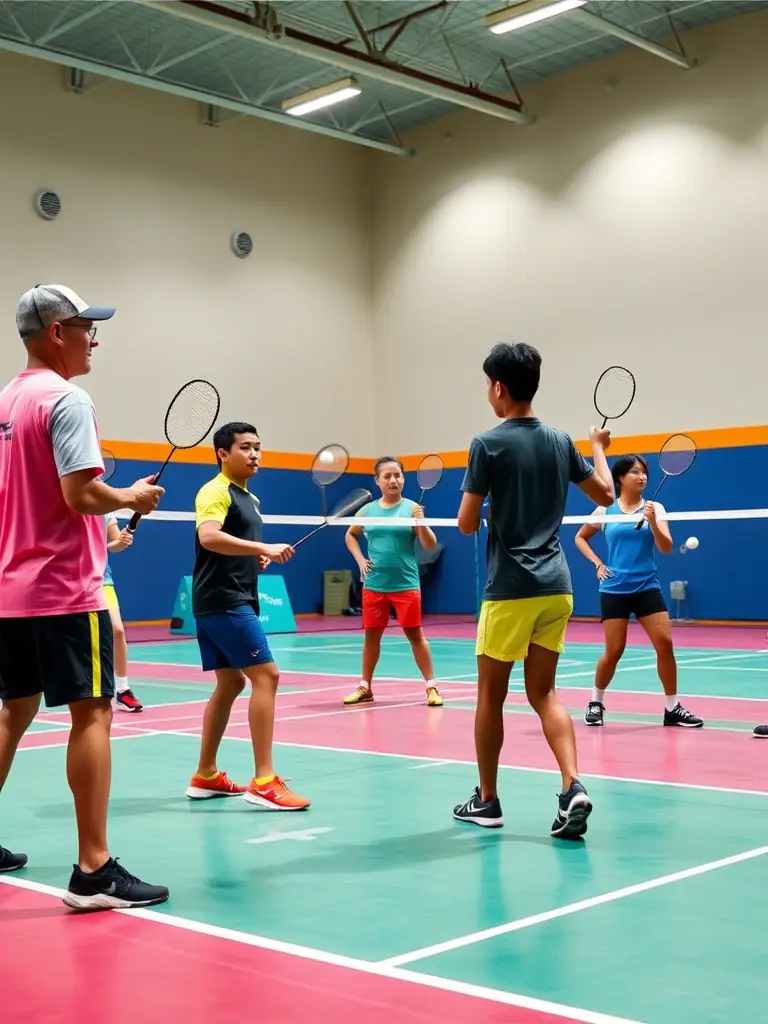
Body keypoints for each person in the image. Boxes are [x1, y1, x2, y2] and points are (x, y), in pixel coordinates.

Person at [0, 283, 168, 908]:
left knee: (13, 712)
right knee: (92, 712)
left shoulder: (7, 403)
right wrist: (131, 498)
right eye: (84, 326)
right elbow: (79, 495)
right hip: (66, 590)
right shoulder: (68, 399)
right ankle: (94, 870)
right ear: (54, 334)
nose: (94, 336)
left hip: (11, 589)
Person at [453, 342, 614, 839]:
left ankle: (487, 800)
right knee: (543, 692)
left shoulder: (487, 443)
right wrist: (600, 447)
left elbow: (463, 524)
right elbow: (607, 495)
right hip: (557, 587)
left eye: (487, 386)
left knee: (490, 696)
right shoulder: (562, 441)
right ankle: (571, 786)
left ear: (499, 388)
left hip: (510, 589)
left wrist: (489, 507)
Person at [185, 421, 310, 810]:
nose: (254, 454)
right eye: (245, 447)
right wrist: (263, 545)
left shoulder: (249, 499)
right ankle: (264, 781)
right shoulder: (215, 490)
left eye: (258, 447)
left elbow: (228, 546)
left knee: (230, 684)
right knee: (266, 676)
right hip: (224, 601)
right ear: (223, 453)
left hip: (229, 595)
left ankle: (205, 775)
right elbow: (208, 536)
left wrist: (255, 557)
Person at [575, 455, 703, 728]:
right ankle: (596, 702)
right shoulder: (605, 510)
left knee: (665, 644)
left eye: (644, 472)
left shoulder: (655, 508)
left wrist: (653, 522)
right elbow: (580, 537)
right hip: (614, 588)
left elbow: (666, 547)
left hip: (646, 586)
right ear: (620, 478)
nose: (642, 477)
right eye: (635, 472)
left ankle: (672, 708)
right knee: (614, 650)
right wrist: (598, 563)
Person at [342, 457, 443, 707]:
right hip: (375, 584)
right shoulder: (367, 511)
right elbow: (350, 535)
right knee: (371, 637)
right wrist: (360, 560)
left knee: (415, 635)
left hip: (406, 584)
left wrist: (421, 524)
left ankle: (431, 687)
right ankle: (365, 687)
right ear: (377, 481)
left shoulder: (411, 508)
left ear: (403, 479)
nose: (393, 480)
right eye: (387, 476)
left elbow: (430, 545)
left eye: (397, 475)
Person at [104, 515, 143, 712]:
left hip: (101, 579)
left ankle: (122, 689)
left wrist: (121, 541)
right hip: (67, 578)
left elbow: (115, 543)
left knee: (117, 630)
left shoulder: (105, 510)